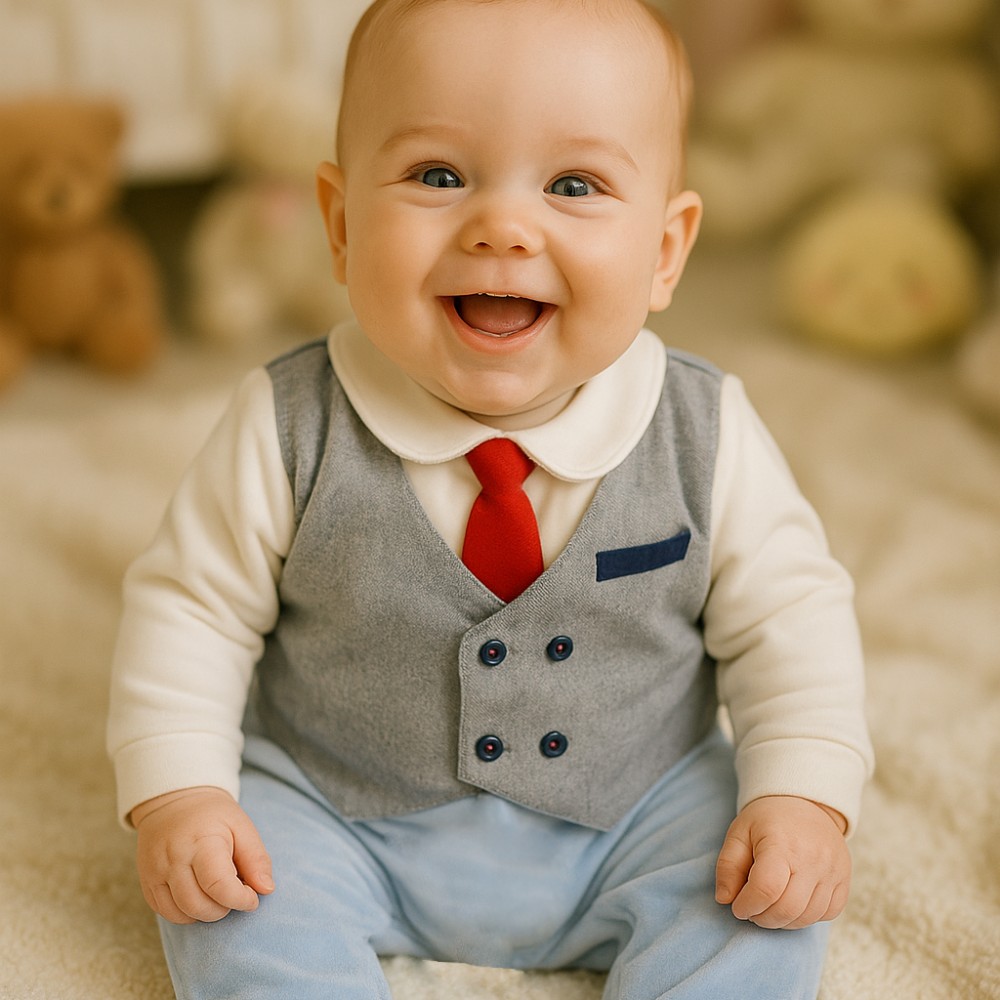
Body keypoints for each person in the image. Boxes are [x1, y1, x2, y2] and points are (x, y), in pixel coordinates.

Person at [107, 0, 874, 997]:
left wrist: (804, 798)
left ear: (665, 251)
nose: (503, 227)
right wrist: (180, 793)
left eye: (574, 183)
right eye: (438, 176)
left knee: (758, 907)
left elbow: (793, 622)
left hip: (637, 812)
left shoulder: (704, 431)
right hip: (339, 808)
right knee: (237, 902)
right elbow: (189, 610)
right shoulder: (285, 423)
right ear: (339, 225)